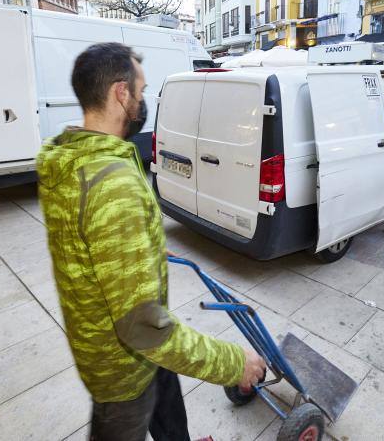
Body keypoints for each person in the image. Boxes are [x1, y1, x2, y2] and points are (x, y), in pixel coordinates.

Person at [36, 42, 266, 441]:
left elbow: (89, 241)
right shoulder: (113, 183)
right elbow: (143, 330)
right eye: (141, 93)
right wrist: (233, 362)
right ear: (120, 93)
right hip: (123, 369)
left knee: (170, 414)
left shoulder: (72, 158)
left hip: (124, 348)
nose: (143, 103)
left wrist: (142, 247)